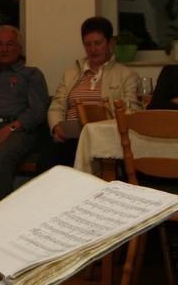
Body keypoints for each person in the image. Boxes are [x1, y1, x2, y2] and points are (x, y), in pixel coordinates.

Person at [40, 16, 140, 171]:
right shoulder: (71, 73)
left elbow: (133, 112)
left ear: (110, 43)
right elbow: (57, 105)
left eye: (98, 43)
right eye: (88, 44)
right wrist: (56, 126)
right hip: (71, 138)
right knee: (47, 160)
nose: (93, 49)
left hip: (105, 139)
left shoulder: (125, 75)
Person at [0, 25, 48, 205]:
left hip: (20, 131)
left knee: (3, 154)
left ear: (19, 48)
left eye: (10, 44)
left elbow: (38, 111)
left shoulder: (32, 74)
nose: (4, 49)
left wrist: (10, 128)